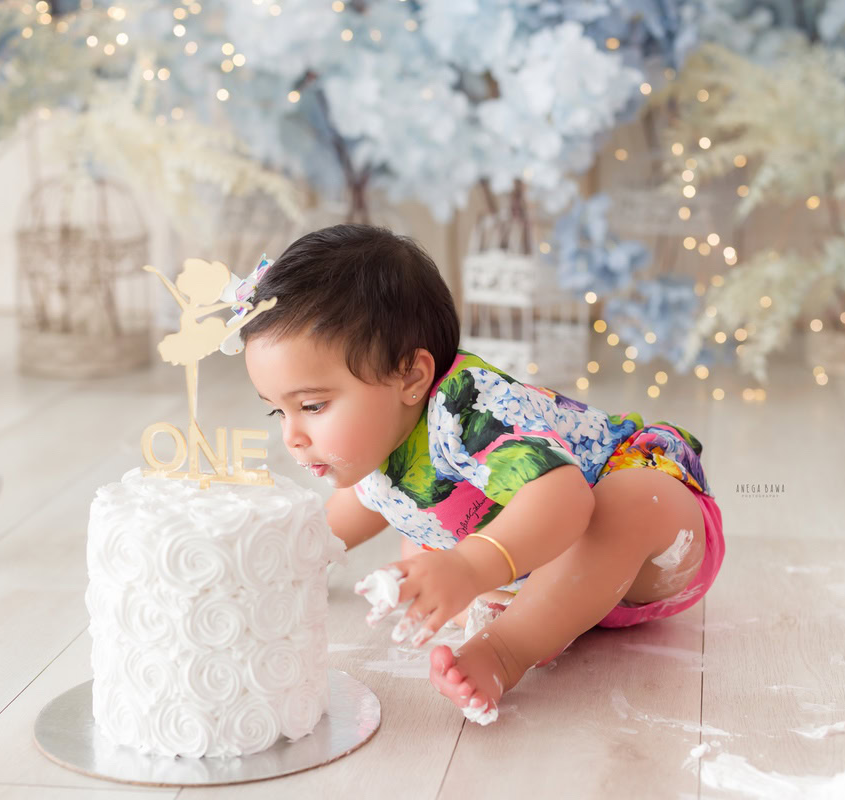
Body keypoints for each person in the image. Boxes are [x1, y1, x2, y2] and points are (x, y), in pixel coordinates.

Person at [236, 223, 725, 724]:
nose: (291, 436)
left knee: (628, 502)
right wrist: (290, 555)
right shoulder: (376, 441)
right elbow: (365, 503)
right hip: (543, 578)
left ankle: (506, 650)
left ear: (411, 376)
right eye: (278, 412)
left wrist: (467, 570)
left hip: (650, 548)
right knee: (420, 551)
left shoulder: (467, 407)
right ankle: (532, 610)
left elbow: (566, 501)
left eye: (312, 406)